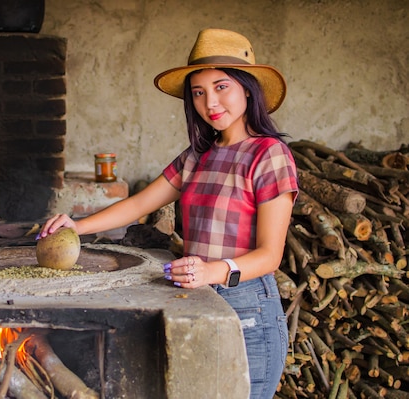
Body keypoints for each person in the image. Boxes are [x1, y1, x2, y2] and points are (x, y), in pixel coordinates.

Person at [38, 28, 299, 398]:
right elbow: (139, 204)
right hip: (195, 299)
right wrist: (76, 227)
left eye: (221, 87)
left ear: (247, 88)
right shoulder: (198, 156)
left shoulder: (269, 155)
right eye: (198, 92)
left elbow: (270, 255)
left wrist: (212, 270)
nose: (210, 102)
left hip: (247, 308)